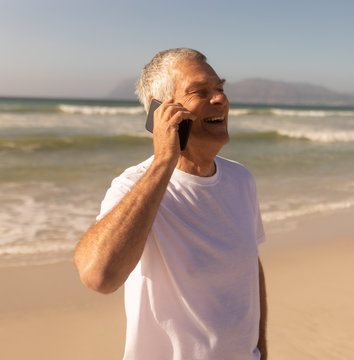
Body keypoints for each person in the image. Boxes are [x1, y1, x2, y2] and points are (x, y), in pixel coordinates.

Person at [74, 48, 267, 360]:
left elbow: (249, 270)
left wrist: (261, 350)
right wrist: (165, 158)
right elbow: (99, 276)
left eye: (219, 88)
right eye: (200, 92)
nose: (219, 99)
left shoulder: (241, 180)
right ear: (161, 112)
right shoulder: (133, 187)